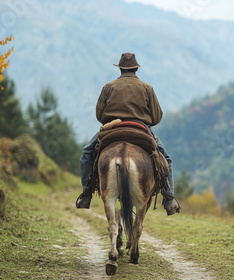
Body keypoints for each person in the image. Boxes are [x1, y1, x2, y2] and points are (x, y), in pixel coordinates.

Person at [76, 52, 180, 215]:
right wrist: (144, 122)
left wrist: (111, 120)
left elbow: (99, 115)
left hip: (113, 127)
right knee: (166, 159)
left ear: (121, 69)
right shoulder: (147, 88)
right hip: (140, 127)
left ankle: (86, 194)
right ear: (136, 69)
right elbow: (157, 116)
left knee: (87, 153)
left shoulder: (108, 87)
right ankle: (169, 200)